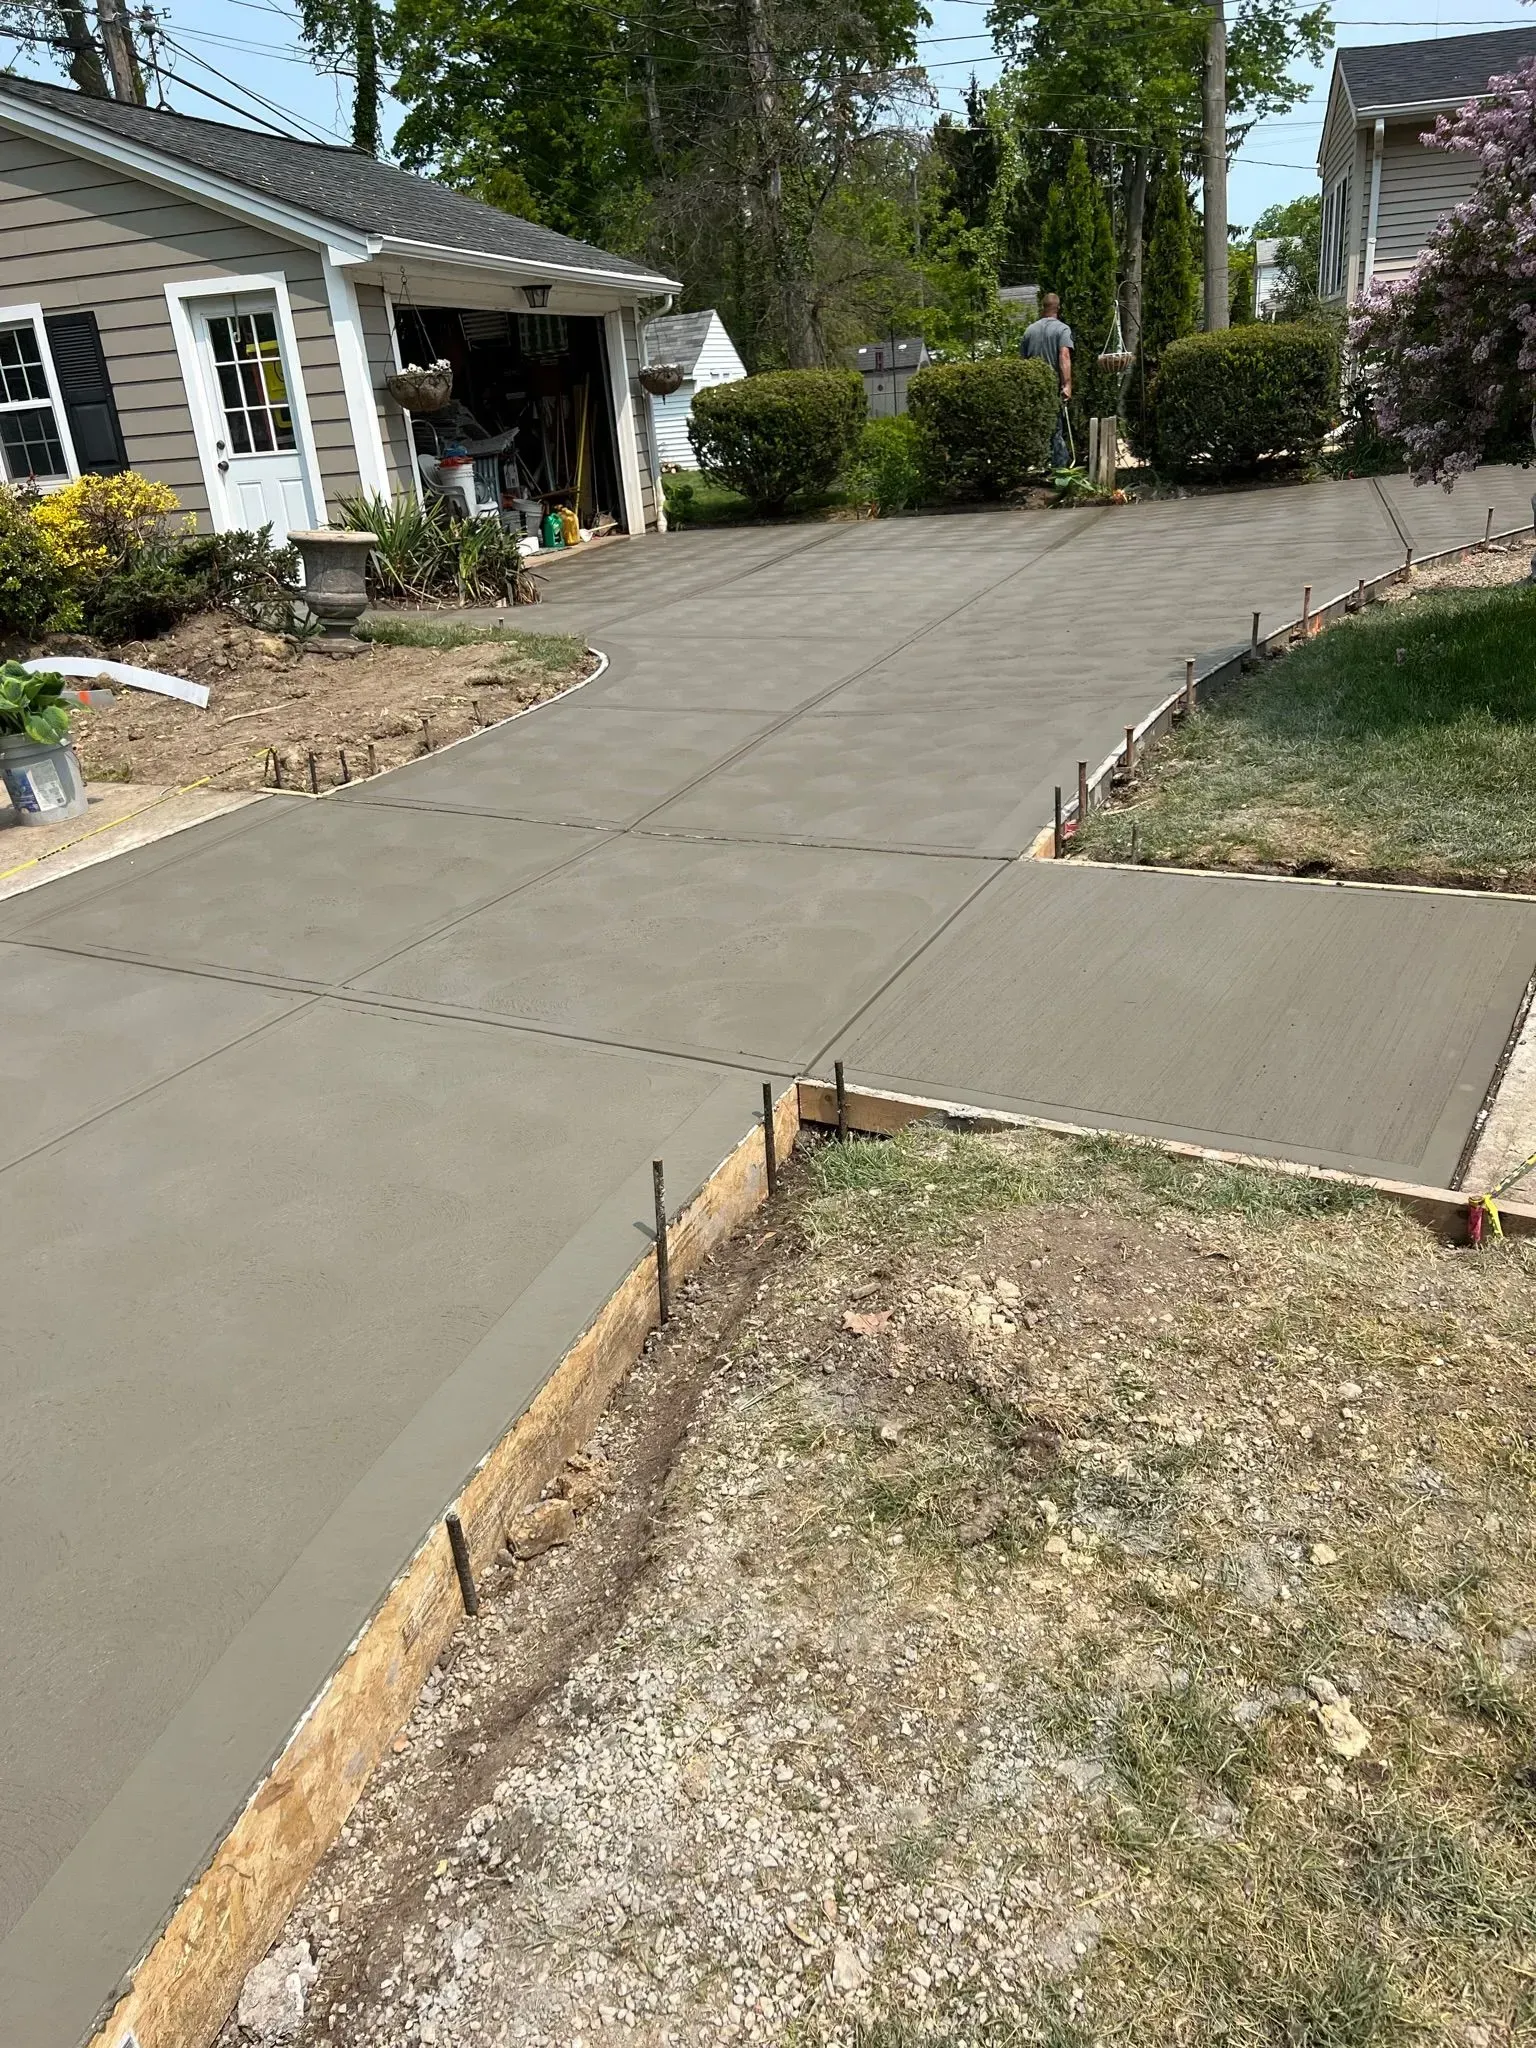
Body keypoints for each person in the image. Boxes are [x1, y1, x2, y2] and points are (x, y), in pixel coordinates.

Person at [1021, 291, 1073, 468]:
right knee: (1056, 430)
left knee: (1038, 429)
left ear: (1042, 308)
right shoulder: (1062, 329)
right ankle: (1060, 472)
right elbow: (1064, 356)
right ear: (1058, 308)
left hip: (1034, 388)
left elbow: (1023, 362)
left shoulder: (1029, 331)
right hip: (1052, 387)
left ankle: (1039, 465)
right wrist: (1067, 384)